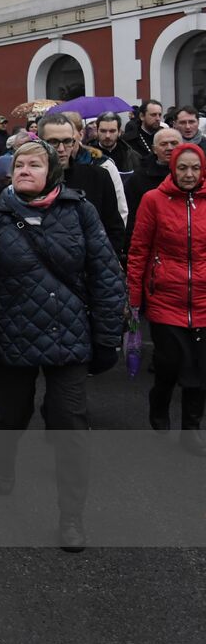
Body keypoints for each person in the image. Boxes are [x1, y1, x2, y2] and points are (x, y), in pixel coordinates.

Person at [0, 140, 125, 551]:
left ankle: (71, 517)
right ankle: (4, 458)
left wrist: (107, 338)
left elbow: (105, 275)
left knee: (71, 425)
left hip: (67, 337)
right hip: (12, 338)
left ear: (51, 171)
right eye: (19, 164)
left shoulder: (79, 211)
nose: (25, 170)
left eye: (35, 164)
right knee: (12, 416)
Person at [127, 142, 206, 448]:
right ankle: (159, 405)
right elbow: (139, 250)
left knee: (199, 368)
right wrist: (134, 296)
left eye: (195, 168)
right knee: (170, 364)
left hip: (202, 300)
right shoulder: (153, 200)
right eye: (183, 168)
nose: (189, 174)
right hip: (165, 298)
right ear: (173, 168)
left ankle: (191, 430)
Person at [39, 113, 127, 255]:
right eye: (54, 142)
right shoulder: (30, 181)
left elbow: (114, 229)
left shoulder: (99, 176)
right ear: (40, 142)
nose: (61, 149)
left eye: (67, 141)